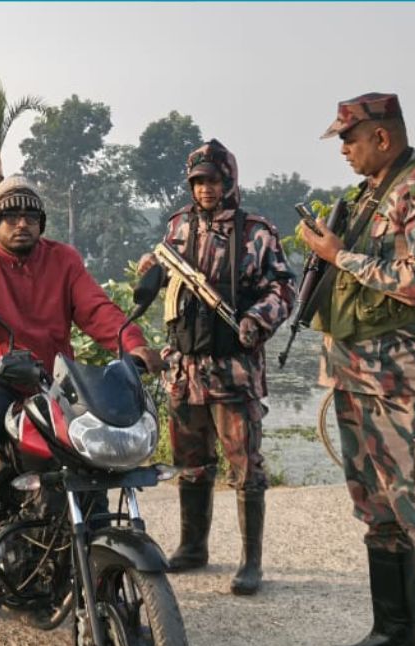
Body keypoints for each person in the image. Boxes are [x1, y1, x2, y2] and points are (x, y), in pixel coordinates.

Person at [299, 92, 415, 646]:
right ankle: (394, 636)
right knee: (378, 513)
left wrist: (340, 256)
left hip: (412, 393)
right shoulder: (367, 197)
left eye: (350, 139)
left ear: (383, 136)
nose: (345, 150)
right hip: (358, 385)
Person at [0, 176, 162, 616]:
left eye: (31, 217)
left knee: (90, 450)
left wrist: (131, 343)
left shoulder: (63, 260)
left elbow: (96, 308)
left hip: (52, 379)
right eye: (12, 217)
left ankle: (89, 547)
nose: (22, 224)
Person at [138, 139, 295, 596]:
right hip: (184, 366)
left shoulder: (257, 231)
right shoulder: (178, 226)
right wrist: (151, 270)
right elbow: (163, 277)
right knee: (191, 462)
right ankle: (192, 546)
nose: (206, 189)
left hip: (233, 368)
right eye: (198, 182)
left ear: (229, 180)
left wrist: (255, 319)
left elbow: (284, 288)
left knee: (246, 466)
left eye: (214, 180)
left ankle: (250, 563)